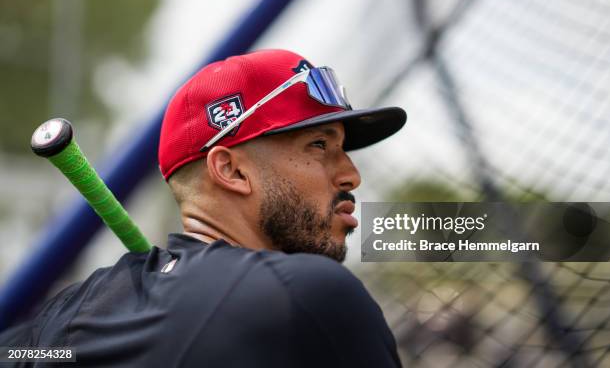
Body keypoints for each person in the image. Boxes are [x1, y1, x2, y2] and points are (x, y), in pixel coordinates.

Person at [0, 49, 406, 367]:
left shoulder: (66, 317)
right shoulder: (311, 296)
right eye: (319, 145)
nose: (351, 175)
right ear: (231, 170)